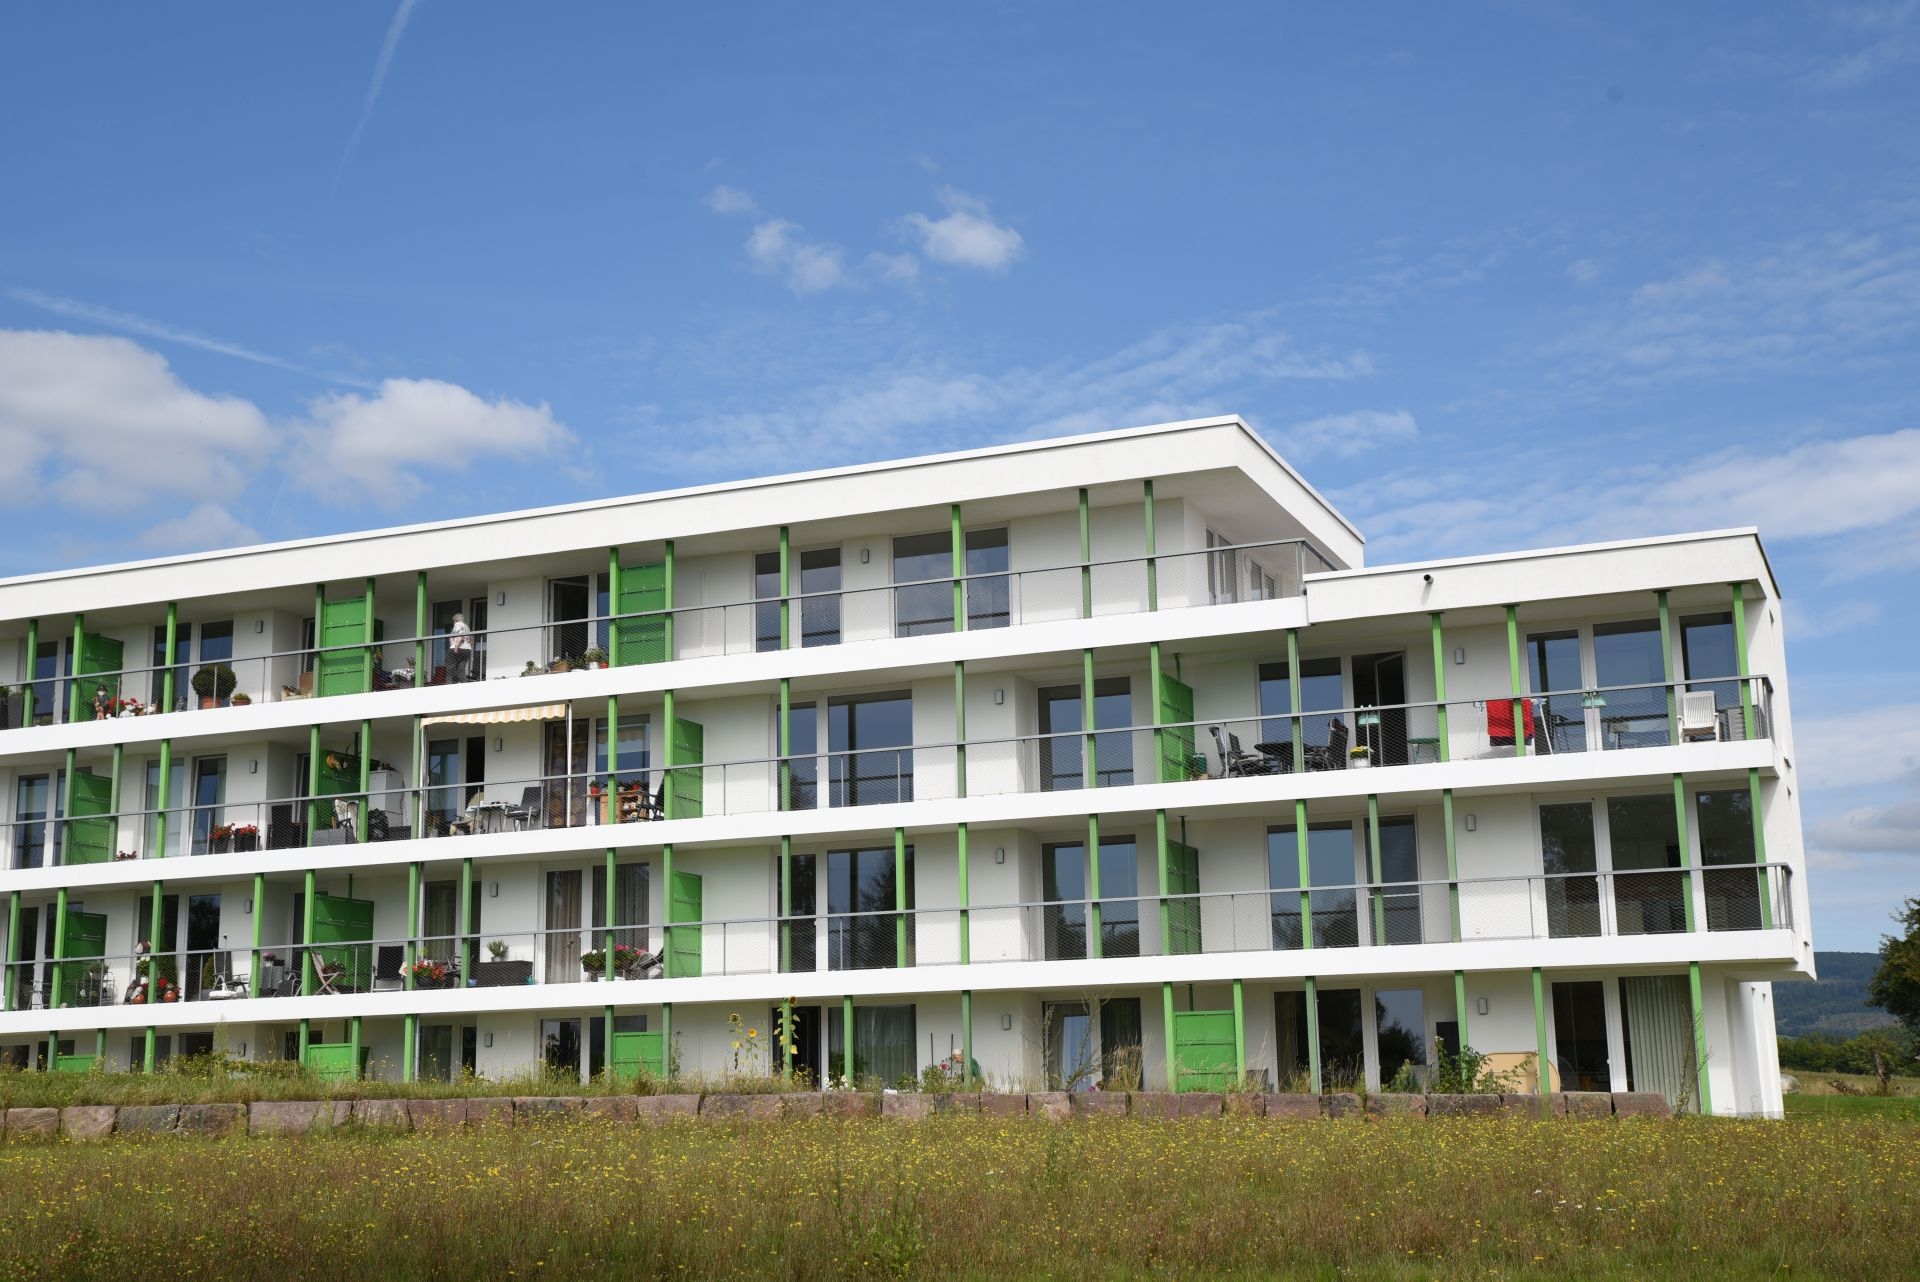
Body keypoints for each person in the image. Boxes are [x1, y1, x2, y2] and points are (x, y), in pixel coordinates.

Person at [447, 612, 473, 683]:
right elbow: (471, 640)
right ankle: (464, 683)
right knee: (461, 668)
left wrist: (456, 647)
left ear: (455, 620)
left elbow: (460, 635)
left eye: (453, 621)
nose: (453, 622)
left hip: (458, 648)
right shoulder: (466, 627)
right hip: (467, 649)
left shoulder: (458, 624)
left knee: (450, 667)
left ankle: (449, 684)